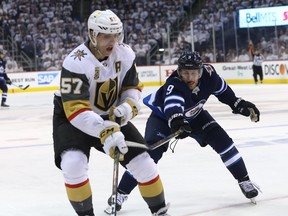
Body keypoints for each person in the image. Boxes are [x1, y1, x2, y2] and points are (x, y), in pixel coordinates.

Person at [106, 51, 261, 213]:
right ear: (179, 72)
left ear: (200, 71)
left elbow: (224, 92)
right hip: (163, 119)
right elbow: (174, 106)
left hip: (195, 116)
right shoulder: (174, 84)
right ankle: (120, 194)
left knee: (224, 142)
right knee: (146, 158)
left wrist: (239, 104)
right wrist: (178, 122)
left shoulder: (210, 76)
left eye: (194, 73)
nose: (190, 78)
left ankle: (245, 181)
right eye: (185, 73)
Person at [52, 9, 170, 216]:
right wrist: (104, 130)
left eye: (115, 35)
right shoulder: (75, 61)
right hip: (72, 118)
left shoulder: (124, 53)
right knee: (73, 164)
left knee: (143, 162)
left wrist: (127, 108)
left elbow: (132, 87)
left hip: (109, 114)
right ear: (92, 35)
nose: (112, 41)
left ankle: (160, 211)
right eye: (106, 35)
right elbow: (75, 110)